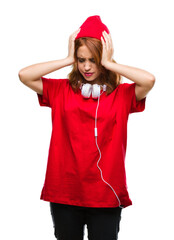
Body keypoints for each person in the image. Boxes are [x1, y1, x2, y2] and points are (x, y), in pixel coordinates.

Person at [18, 15, 155, 240]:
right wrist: (66, 59)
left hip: (106, 193)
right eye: (81, 60)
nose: (87, 67)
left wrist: (110, 63)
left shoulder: (122, 95)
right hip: (65, 192)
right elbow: (24, 75)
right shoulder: (60, 90)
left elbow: (148, 80)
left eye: (94, 59)